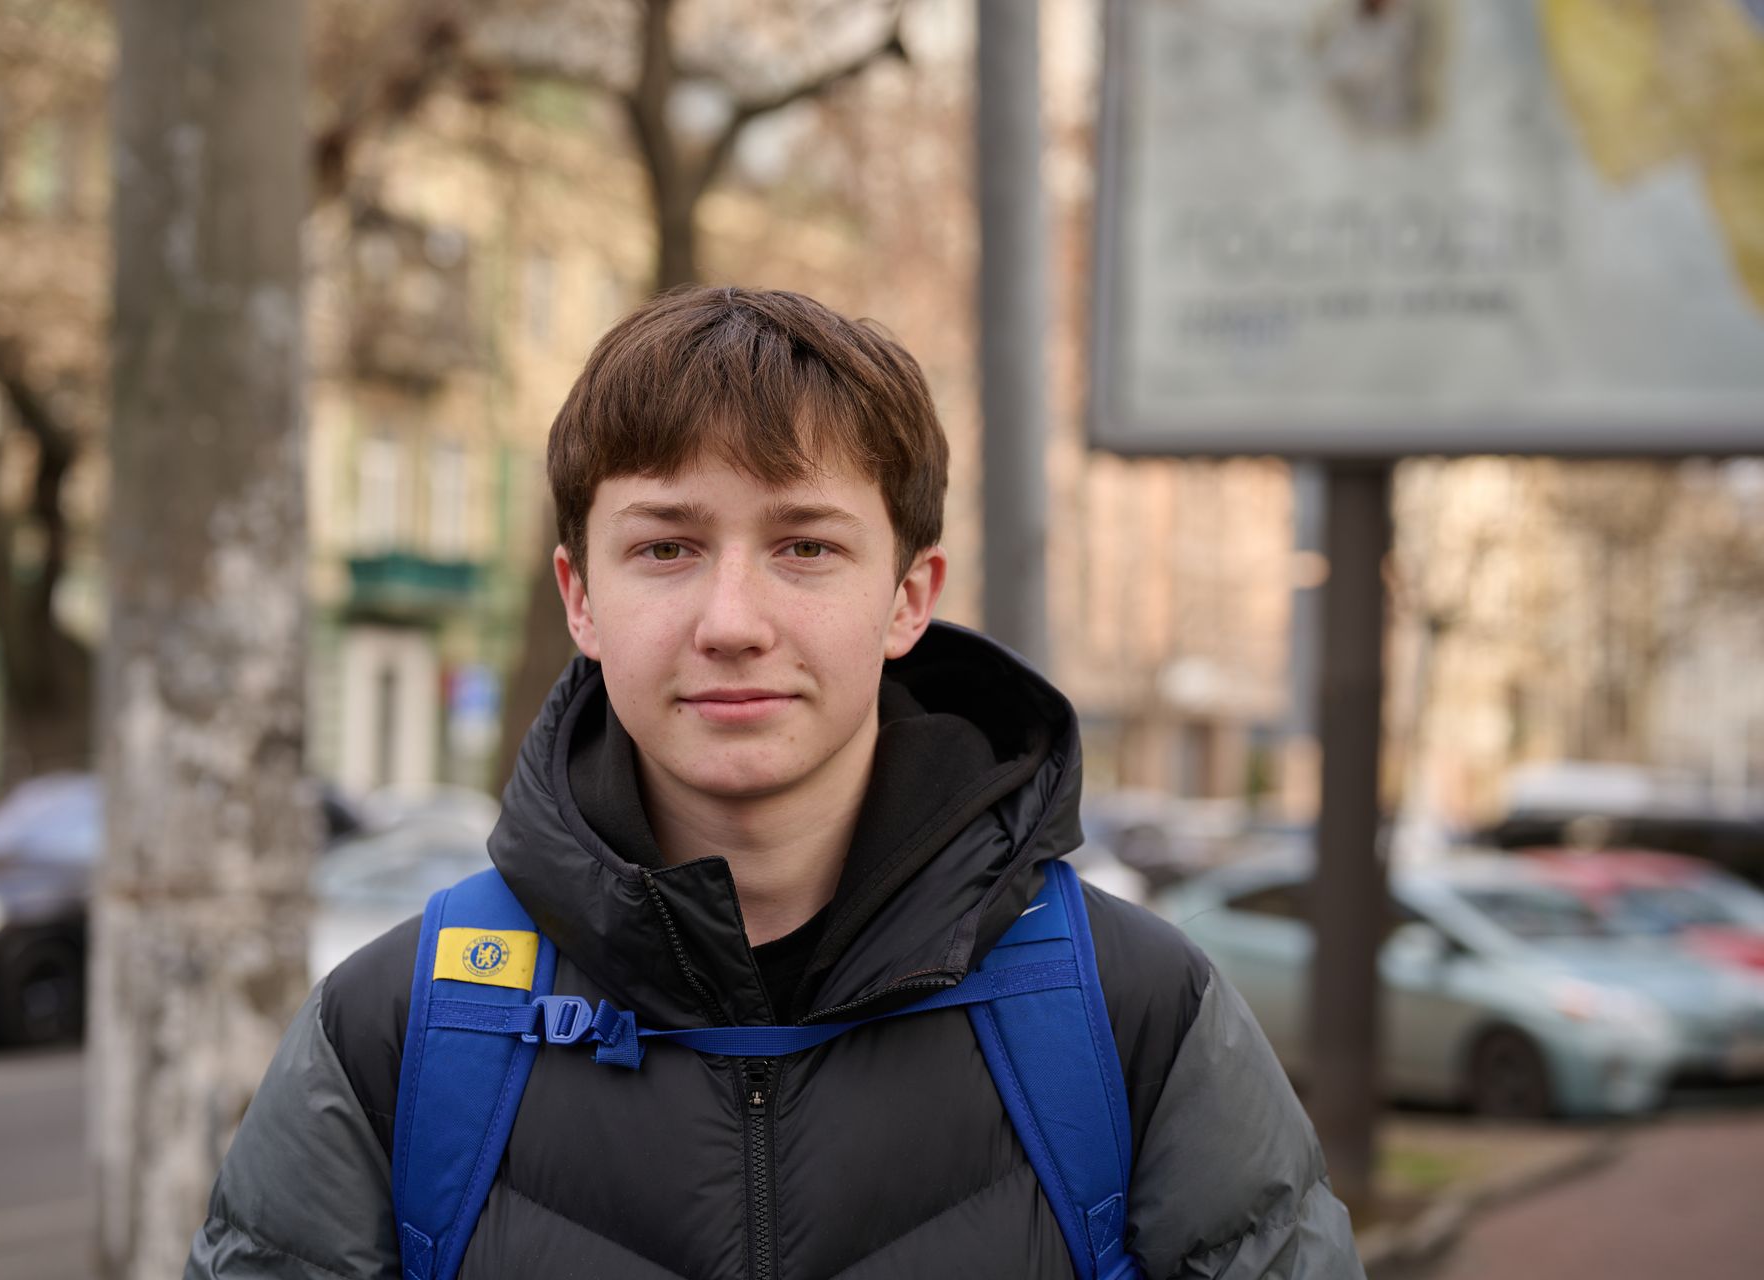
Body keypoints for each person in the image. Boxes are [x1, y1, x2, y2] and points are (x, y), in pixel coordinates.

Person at [186, 286, 1364, 1279]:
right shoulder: (397, 1032)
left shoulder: (1133, 1016)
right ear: (580, 596)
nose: (732, 620)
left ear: (908, 596)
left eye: (805, 545)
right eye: (666, 546)